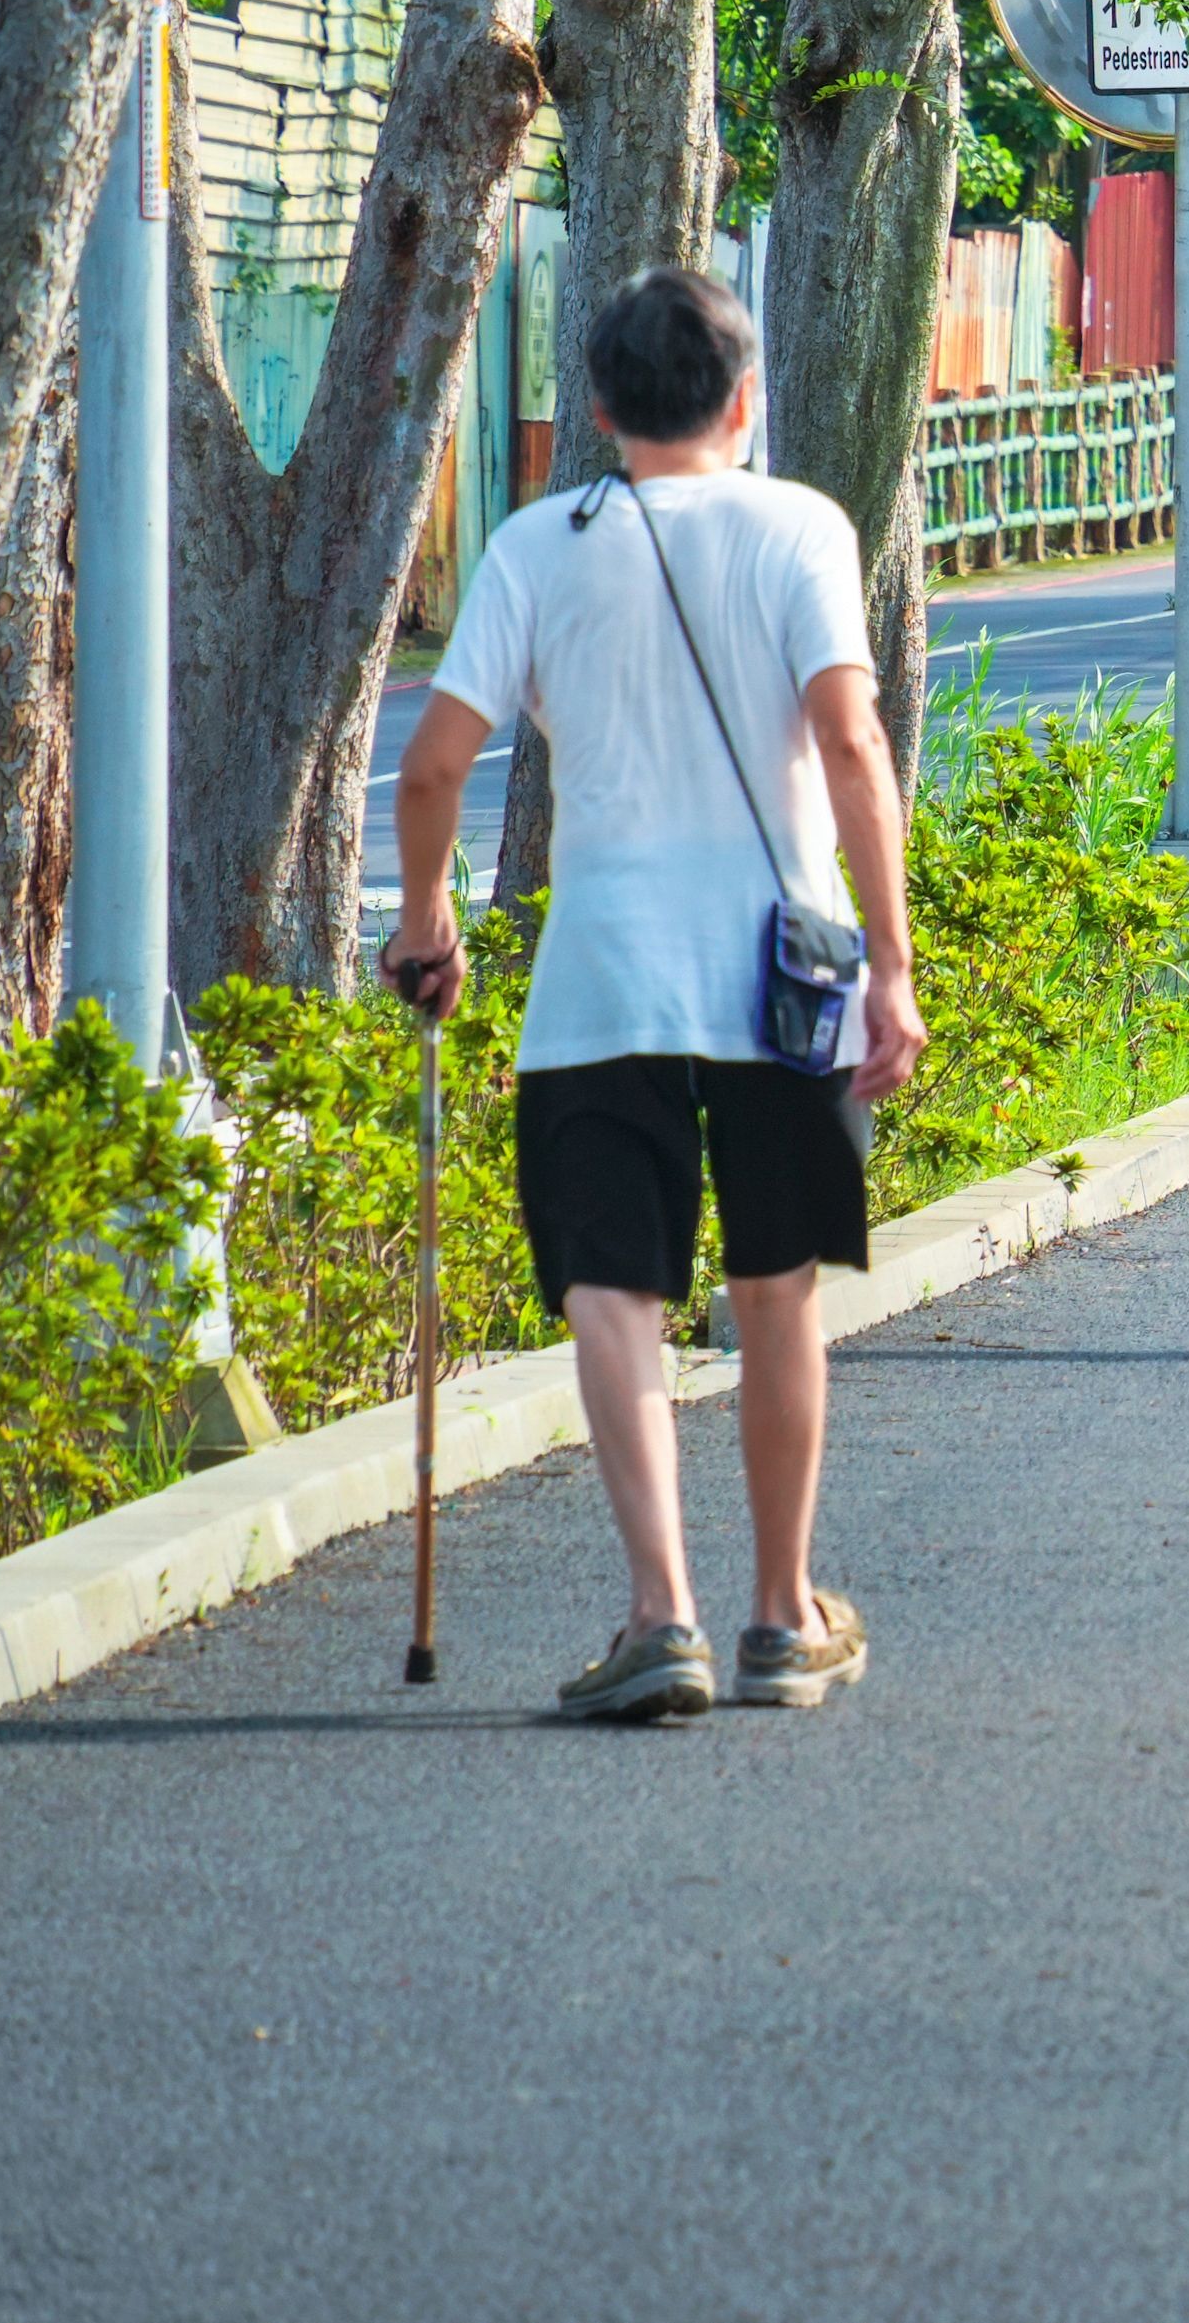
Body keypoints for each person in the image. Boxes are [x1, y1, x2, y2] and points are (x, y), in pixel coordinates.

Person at [383, 269, 926, 1726]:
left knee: (613, 1290)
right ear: (745, 401)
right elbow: (853, 747)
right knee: (776, 1288)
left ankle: (659, 1614)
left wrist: (428, 916)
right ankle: (781, 1617)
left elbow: (431, 768)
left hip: (602, 982)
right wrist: (892, 961)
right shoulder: (802, 527)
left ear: (599, 407)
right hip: (781, 986)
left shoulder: (535, 545)